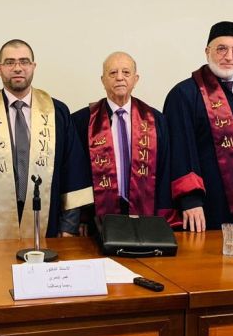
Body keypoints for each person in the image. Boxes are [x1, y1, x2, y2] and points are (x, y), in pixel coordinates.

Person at [0, 39, 93, 241]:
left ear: (33, 66)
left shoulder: (57, 113)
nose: (17, 68)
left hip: (48, 223)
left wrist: (68, 227)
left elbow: (73, 171)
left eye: (24, 61)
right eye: (9, 62)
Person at [163, 21, 233, 231]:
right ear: (207, 51)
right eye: (221, 49)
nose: (229, 57)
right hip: (208, 206)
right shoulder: (185, 94)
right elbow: (180, 151)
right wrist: (190, 200)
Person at [72, 52, 177, 233]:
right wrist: (81, 217)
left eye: (126, 72)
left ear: (136, 79)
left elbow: (164, 170)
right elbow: (76, 173)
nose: (120, 78)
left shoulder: (155, 120)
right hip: (96, 217)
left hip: (147, 214)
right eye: (113, 73)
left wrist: (163, 216)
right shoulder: (82, 121)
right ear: (103, 80)